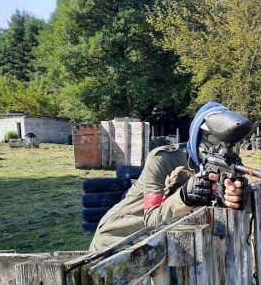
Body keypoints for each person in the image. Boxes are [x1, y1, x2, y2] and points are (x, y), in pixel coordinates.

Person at [89, 102, 247, 251]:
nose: (221, 147)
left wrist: (238, 197)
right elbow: (151, 219)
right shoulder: (163, 159)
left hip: (167, 244)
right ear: (198, 135)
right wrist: (185, 196)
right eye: (214, 138)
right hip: (119, 239)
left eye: (227, 142)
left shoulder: (228, 166)